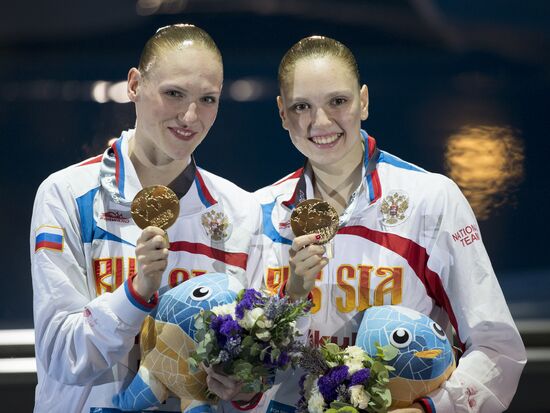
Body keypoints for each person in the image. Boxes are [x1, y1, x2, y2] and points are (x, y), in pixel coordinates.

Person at [251, 36, 526, 413]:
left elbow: (497, 348)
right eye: (302, 106)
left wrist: (427, 410)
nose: (321, 121)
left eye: (338, 101)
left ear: (363, 101)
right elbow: (246, 362)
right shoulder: (260, 211)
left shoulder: (430, 200)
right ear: (282, 113)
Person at [30, 24, 264, 413]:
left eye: (207, 99)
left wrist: (242, 385)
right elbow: (60, 356)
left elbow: (252, 374)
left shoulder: (241, 211)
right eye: (174, 93)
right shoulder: (66, 194)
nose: (190, 116)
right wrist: (135, 294)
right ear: (135, 85)